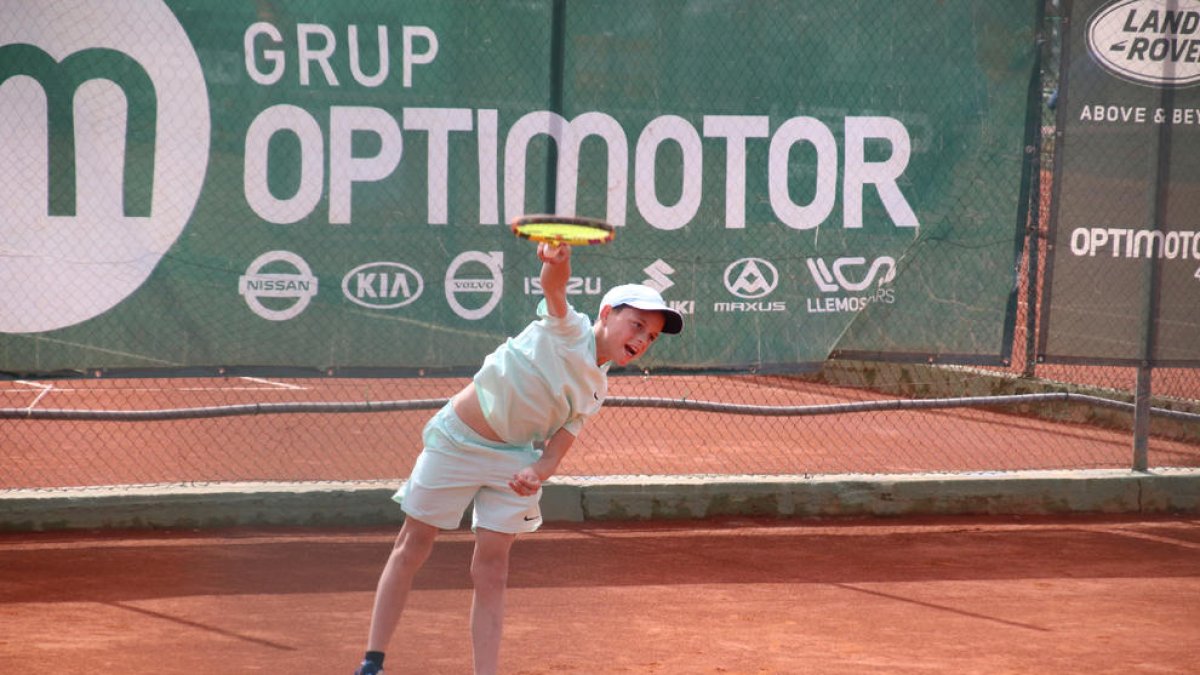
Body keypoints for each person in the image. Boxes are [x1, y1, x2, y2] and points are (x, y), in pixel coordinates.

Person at [354, 240, 683, 675]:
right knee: (413, 545)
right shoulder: (568, 329)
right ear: (606, 315)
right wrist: (557, 263)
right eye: (636, 325)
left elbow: (555, 453)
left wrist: (535, 472)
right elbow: (555, 288)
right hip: (458, 441)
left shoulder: (597, 389)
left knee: (492, 569)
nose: (641, 339)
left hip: (513, 460)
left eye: (651, 336)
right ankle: (372, 662)